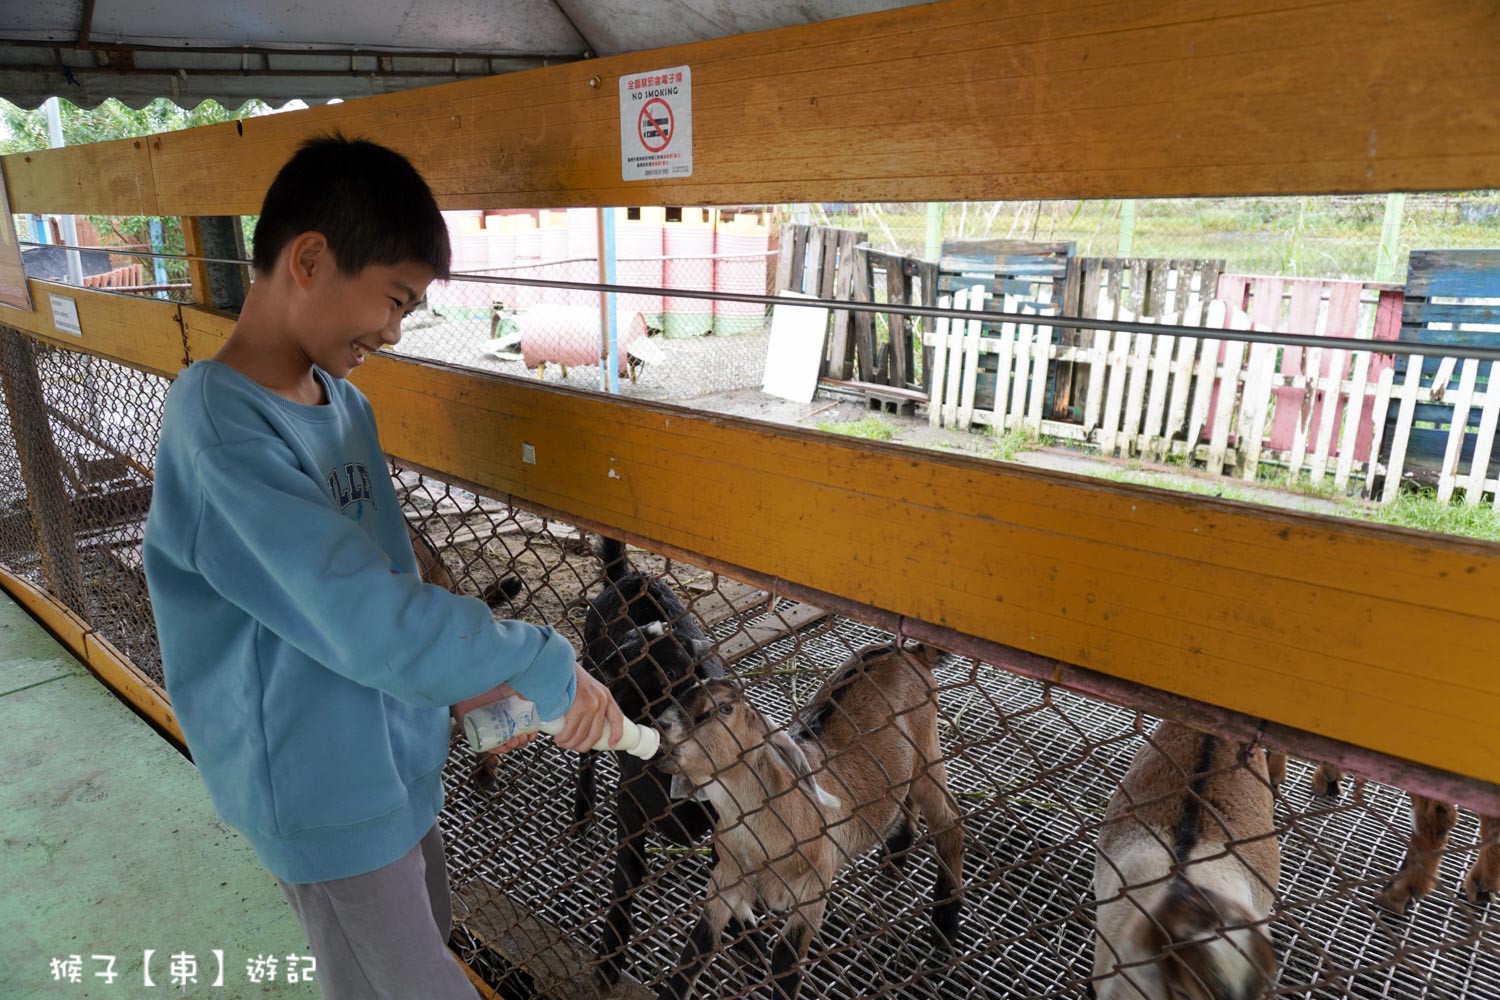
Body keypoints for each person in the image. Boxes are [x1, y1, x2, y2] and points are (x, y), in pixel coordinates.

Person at [142, 134, 625, 1000]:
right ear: (311, 260)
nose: (396, 332)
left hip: (392, 764)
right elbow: (364, 618)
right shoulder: (220, 433)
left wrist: (466, 682)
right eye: (395, 300)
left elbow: (395, 579)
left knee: (419, 946)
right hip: (318, 790)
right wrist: (536, 660)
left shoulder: (346, 404)